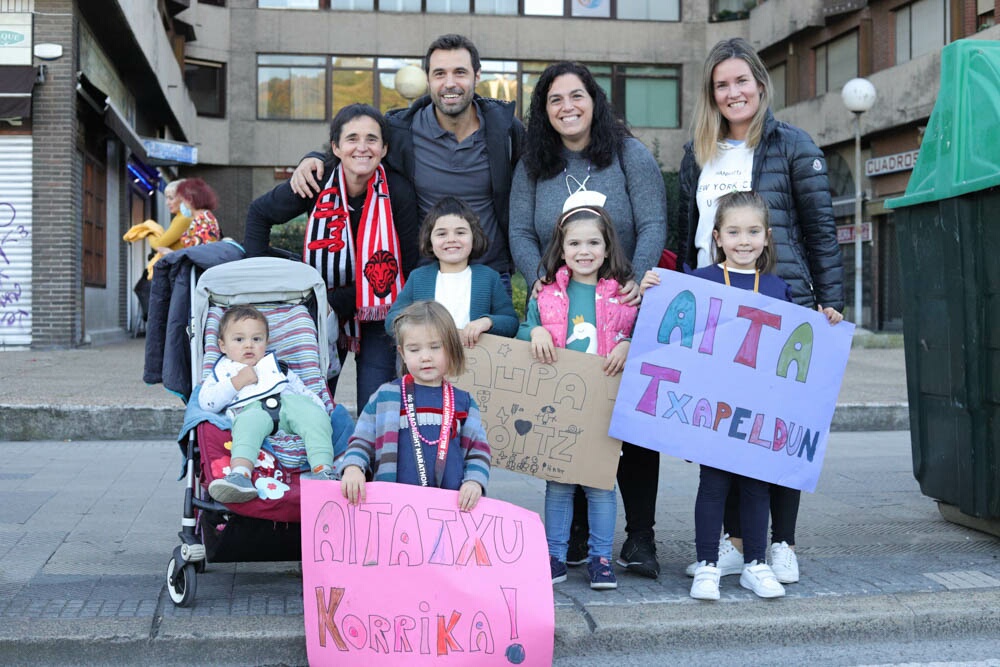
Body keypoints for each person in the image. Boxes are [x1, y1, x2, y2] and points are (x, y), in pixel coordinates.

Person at [676, 37, 845, 585]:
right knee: (725, 429)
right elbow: (688, 233)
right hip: (716, 309)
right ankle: (733, 543)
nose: (733, 92)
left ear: (760, 85)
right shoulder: (698, 150)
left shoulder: (793, 145)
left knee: (778, 425)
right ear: (712, 93)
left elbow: (820, 229)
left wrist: (829, 300)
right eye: (722, 84)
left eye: (741, 81)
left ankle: (782, 544)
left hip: (781, 301)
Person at [509, 61, 667, 578]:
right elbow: (519, 230)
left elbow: (653, 222)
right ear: (544, 111)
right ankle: (576, 533)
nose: (567, 107)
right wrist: (540, 280)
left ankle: (639, 537)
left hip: (622, 303)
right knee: (570, 422)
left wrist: (637, 279)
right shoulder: (534, 163)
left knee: (631, 428)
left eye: (576, 95)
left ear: (594, 100)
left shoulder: (630, 155)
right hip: (561, 308)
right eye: (555, 100)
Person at [289, 34, 524, 293]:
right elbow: (357, 151)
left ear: (477, 76)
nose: (449, 83)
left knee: (494, 333)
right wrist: (314, 158)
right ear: (428, 80)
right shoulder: (402, 130)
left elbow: (537, 170)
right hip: (425, 277)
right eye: (439, 74)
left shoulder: (506, 130)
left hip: (490, 274)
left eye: (460, 73)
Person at [244, 104, 419, 414]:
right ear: (336, 147)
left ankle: (365, 464)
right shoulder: (317, 180)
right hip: (319, 312)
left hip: (377, 310)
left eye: (371, 139)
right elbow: (259, 214)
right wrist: (261, 286)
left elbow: (405, 266)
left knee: (376, 407)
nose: (362, 148)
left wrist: (334, 300)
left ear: (384, 148)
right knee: (312, 403)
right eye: (351, 139)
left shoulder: (398, 191)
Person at [517, 204, 638, 591]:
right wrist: (533, 333)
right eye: (575, 243)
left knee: (601, 484)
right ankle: (553, 555)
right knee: (559, 484)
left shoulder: (623, 296)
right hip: (559, 404)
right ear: (562, 248)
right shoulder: (547, 294)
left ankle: (601, 559)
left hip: (604, 403)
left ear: (607, 248)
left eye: (593, 242)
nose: (584, 250)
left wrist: (629, 345)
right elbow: (526, 331)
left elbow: (649, 336)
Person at [339, 301, 490, 512]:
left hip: (451, 512)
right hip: (394, 509)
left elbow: (478, 451)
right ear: (402, 353)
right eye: (414, 349)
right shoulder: (385, 397)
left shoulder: (464, 402)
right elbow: (361, 441)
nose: (425, 356)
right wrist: (353, 467)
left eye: (435, 347)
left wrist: (474, 481)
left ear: (451, 347)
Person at [199, 305, 336, 504]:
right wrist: (236, 383)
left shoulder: (277, 366)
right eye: (239, 339)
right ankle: (240, 474)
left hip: (291, 404)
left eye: (256, 339)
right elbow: (207, 401)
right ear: (222, 346)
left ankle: (323, 470)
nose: (249, 345)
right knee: (246, 426)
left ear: (266, 342)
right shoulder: (224, 371)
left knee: (314, 417)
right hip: (252, 408)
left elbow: (302, 389)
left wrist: (319, 408)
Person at [385, 196, 518, 348]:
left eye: (460, 233)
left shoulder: (488, 278)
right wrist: (420, 325)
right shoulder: (419, 278)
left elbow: (511, 323)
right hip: (428, 364)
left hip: (475, 364)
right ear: (430, 240)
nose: (451, 239)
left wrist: (487, 322)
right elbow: (391, 321)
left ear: (474, 237)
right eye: (442, 234)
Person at [172, 178, 221, 249]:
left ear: (190, 199)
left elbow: (198, 253)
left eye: (182, 201)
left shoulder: (202, 221)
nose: (182, 205)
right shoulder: (206, 217)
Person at [148, 179, 190, 255]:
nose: (167, 203)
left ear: (183, 198)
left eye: (171, 198)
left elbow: (159, 244)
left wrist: (148, 231)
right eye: (166, 198)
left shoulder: (184, 218)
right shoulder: (183, 217)